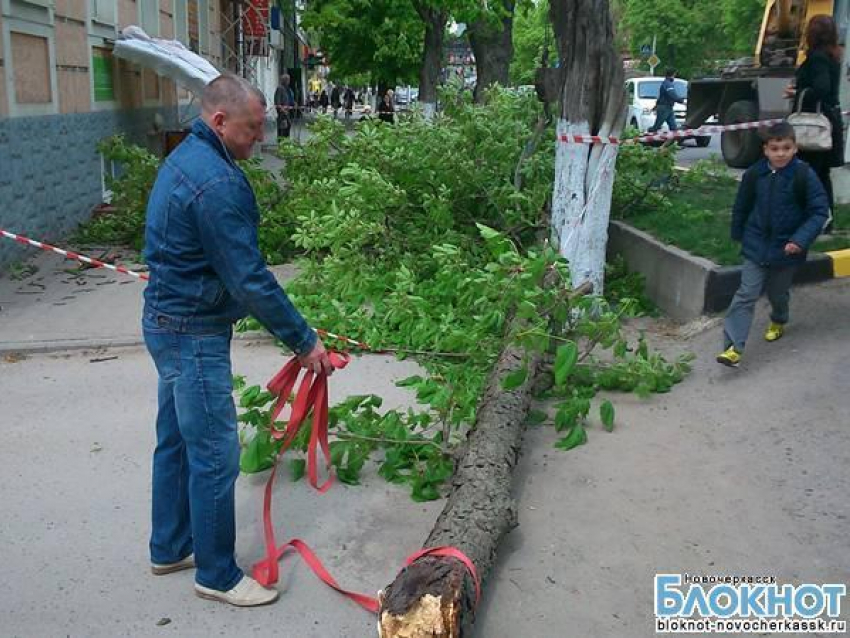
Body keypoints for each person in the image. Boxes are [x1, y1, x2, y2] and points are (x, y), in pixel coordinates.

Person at [142, 74, 333, 606]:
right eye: (252, 129)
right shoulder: (217, 183)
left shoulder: (186, 157)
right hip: (192, 332)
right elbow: (249, 279)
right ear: (220, 121)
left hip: (165, 319)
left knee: (177, 440)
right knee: (214, 453)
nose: (259, 139)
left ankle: (170, 545)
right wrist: (304, 341)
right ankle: (217, 573)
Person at [716, 122, 828, 368]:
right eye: (775, 148)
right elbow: (742, 205)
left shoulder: (803, 175)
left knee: (778, 294)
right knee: (746, 294)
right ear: (765, 150)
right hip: (756, 245)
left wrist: (799, 240)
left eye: (786, 148)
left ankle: (779, 319)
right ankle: (733, 347)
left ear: (795, 149)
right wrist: (739, 234)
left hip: (787, 249)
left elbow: (819, 211)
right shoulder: (755, 174)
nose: (780, 154)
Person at [785, 14, 845, 233]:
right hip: (827, 121)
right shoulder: (833, 56)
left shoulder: (817, 57)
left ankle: (817, 217)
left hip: (815, 125)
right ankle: (824, 217)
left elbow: (821, 89)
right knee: (820, 173)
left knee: (809, 172)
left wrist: (797, 92)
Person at [648, 68, 684, 133]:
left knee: (673, 128)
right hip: (664, 108)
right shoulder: (668, 84)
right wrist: (681, 101)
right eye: (674, 75)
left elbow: (661, 96)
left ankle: (673, 142)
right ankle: (648, 136)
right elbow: (672, 94)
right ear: (673, 74)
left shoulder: (666, 83)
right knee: (657, 127)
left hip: (668, 108)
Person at [273, 73, 295, 139]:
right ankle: (282, 143)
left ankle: (286, 142)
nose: (289, 81)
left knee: (287, 126)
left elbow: (288, 99)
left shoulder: (286, 88)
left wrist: (293, 103)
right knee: (283, 128)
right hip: (282, 114)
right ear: (284, 80)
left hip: (286, 112)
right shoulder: (280, 88)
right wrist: (282, 109)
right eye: (288, 80)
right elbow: (277, 101)